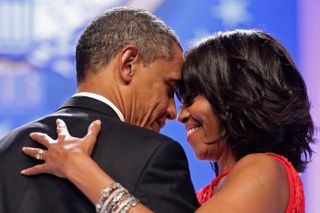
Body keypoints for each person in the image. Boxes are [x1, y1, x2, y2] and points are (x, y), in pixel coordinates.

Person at [21, 29, 315, 212]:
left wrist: (80, 169)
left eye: (191, 98)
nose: (181, 114)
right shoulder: (242, 175)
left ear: (237, 96)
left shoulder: (264, 167)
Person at [0, 7, 199, 213]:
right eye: (169, 88)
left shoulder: (5, 149)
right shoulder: (155, 154)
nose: (172, 111)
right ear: (128, 64)